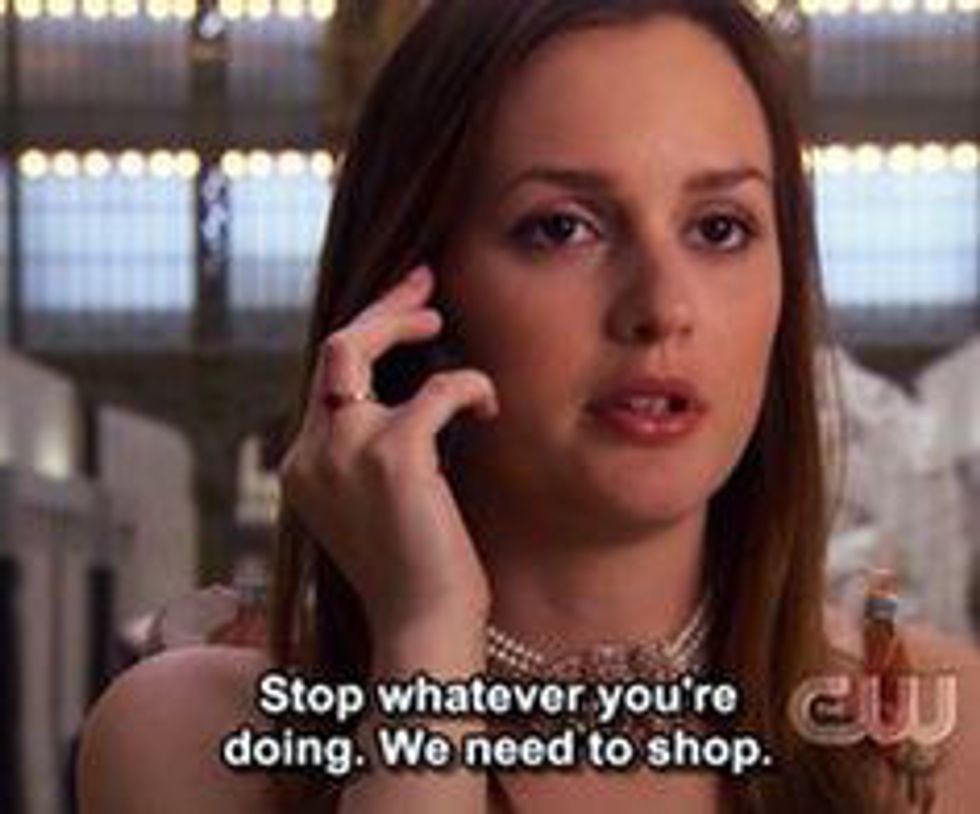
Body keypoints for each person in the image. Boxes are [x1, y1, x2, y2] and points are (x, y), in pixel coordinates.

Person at [76, 1, 980, 812]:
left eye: (720, 227)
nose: (663, 307)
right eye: (562, 227)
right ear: (411, 286)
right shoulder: (199, 739)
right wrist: (427, 635)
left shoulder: (943, 732)